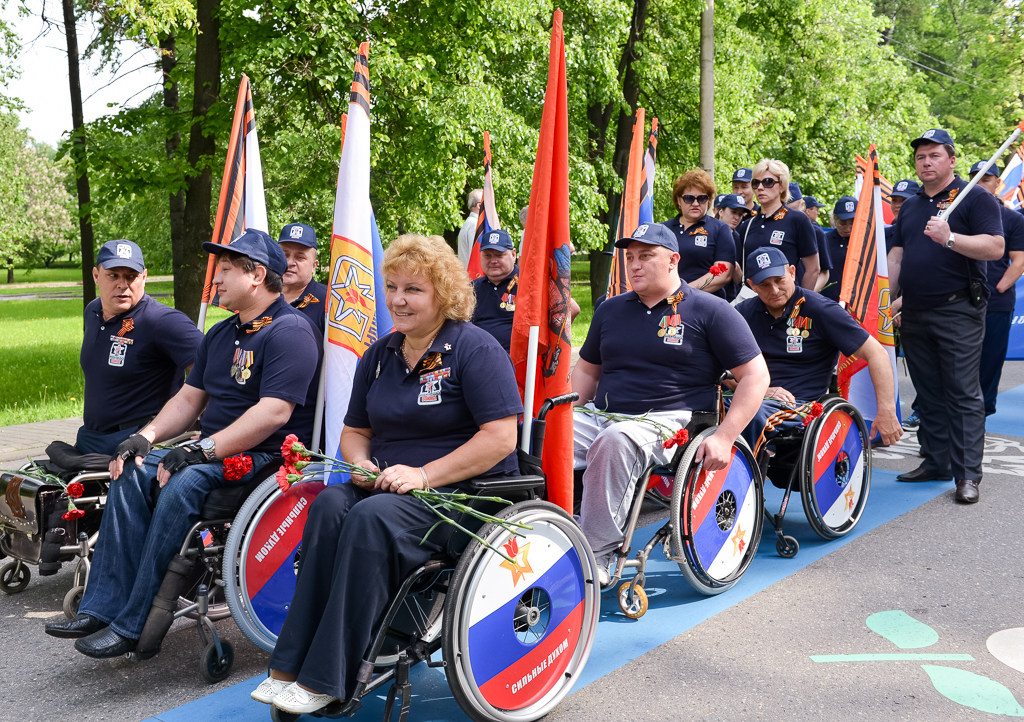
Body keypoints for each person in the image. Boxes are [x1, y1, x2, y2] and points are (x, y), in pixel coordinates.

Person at [251, 234, 523, 715]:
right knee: (332, 504)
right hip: (390, 488)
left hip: (464, 493)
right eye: (393, 287)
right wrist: (358, 462)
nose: (398, 299)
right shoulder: (380, 355)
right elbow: (355, 431)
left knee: (371, 518)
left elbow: (500, 438)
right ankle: (288, 665)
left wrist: (424, 474)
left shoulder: (475, 349)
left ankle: (328, 675)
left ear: (444, 294)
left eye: (414, 289)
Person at [44, 229, 322, 656]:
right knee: (130, 470)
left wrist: (201, 450)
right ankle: (102, 607)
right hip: (212, 448)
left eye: (227, 270)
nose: (218, 279)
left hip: (263, 456)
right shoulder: (221, 333)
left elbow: (274, 414)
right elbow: (190, 398)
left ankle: (135, 625)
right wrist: (144, 437)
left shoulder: (290, 331)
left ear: (257, 275)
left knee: (183, 483)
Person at [572, 222, 770, 582]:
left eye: (646, 256)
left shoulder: (712, 310)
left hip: (669, 421)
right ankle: (546, 530)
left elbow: (756, 377)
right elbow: (587, 371)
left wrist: (725, 436)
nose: (634, 265)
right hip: (603, 413)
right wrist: (565, 412)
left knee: (615, 441)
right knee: (538, 434)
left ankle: (597, 556)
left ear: (673, 260)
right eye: (630, 257)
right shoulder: (609, 310)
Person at [887, 129, 1004, 504]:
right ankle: (936, 461)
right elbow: (897, 257)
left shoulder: (974, 199)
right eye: (921, 157)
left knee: (962, 392)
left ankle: (967, 475)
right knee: (929, 391)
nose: (926, 162)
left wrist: (950, 238)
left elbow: (995, 247)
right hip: (916, 310)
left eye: (934, 155)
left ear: (951, 159)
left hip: (958, 308)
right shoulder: (911, 206)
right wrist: (887, 299)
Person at [736, 247, 902, 450]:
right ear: (752, 286)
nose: (775, 290)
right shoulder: (742, 313)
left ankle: (739, 478)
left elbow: (877, 353)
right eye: (765, 285)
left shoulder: (821, 310)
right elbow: (721, 367)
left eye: (779, 280)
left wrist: (886, 411)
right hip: (752, 396)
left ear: (792, 273)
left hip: (801, 406)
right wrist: (760, 390)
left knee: (750, 413)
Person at [76, 240, 204, 456]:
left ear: (144, 277)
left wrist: (211, 428)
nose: (122, 284)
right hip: (91, 439)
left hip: (138, 444)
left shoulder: (163, 321)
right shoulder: (93, 311)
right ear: (96, 276)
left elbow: (213, 371)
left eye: (131, 276)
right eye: (113, 275)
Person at [969, 161, 1024, 416]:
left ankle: (982, 410)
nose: (981, 183)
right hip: (963, 299)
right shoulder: (962, 212)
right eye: (976, 178)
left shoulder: (1012, 218)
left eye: (986, 179)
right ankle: (959, 411)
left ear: (997, 182)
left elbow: (1019, 259)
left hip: (996, 302)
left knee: (990, 359)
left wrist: (999, 287)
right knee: (960, 359)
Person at [738, 159, 821, 292]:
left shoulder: (797, 220)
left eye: (768, 182)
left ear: (782, 186)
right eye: (755, 183)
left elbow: (813, 269)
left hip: (785, 300)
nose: (760, 187)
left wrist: (799, 302)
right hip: (752, 303)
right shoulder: (746, 225)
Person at [663, 169, 736, 298]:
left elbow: (724, 274)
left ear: (708, 201)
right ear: (679, 200)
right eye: (689, 198)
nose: (695, 203)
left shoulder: (720, 229)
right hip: (667, 301)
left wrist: (683, 292)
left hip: (706, 303)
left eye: (702, 198)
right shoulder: (663, 229)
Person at [470, 228, 518, 351]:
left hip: (520, 361)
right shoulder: (471, 289)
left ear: (513, 254)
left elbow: (569, 308)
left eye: (499, 255)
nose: (493, 261)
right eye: (487, 255)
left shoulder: (529, 285)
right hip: (479, 358)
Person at [278, 222, 327, 335]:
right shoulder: (263, 295)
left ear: (314, 266)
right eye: (285, 255)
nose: (289, 262)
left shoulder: (329, 302)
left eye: (300, 257)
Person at [821, 196, 858, 303]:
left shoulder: (867, 241)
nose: (847, 228)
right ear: (834, 219)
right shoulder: (824, 240)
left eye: (852, 222)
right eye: (842, 223)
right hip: (830, 302)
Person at [457, 189, 483, 268]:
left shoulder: (469, 223)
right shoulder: (475, 225)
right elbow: (476, 255)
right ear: (479, 205)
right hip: (474, 276)